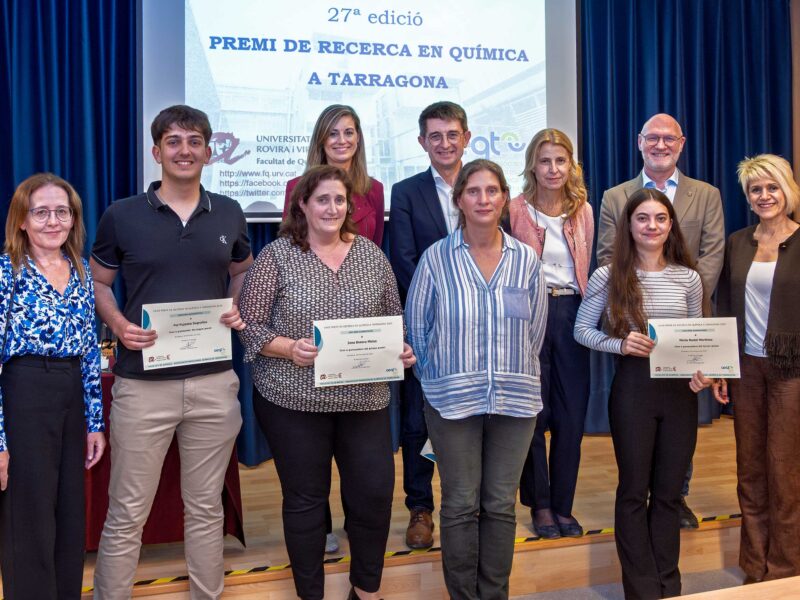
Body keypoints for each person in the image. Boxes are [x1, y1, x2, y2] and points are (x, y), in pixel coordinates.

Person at [91, 105, 253, 599]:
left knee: (205, 509)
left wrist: (236, 305)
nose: (185, 150)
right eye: (174, 141)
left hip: (213, 383)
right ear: (156, 151)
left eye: (195, 141)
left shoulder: (228, 211)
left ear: (208, 151)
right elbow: (98, 281)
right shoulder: (121, 214)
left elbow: (241, 268)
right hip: (143, 386)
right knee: (127, 511)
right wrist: (118, 325)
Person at [238, 165, 415, 600]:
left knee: (373, 495)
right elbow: (249, 326)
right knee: (305, 502)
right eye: (322, 199)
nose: (332, 208)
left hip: (364, 398)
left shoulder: (372, 256)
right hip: (292, 400)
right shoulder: (277, 256)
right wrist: (287, 348)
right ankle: (309, 594)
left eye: (339, 200)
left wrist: (402, 350)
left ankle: (366, 590)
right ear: (302, 205)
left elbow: (393, 321)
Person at [406, 159, 547, 600]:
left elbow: (536, 330)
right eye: (473, 191)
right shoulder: (436, 259)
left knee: (501, 506)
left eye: (492, 191)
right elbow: (417, 329)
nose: (483, 199)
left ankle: (494, 595)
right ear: (459, 200)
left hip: (516, 400)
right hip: (452, 402)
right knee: (461, 504)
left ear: (505, 197)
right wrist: (440, 380)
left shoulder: (526, 259)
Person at [596, 113, 725, 528]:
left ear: (682, 143)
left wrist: (677, 308)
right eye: (652, 138)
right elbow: (606, 258)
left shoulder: (706, 194)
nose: (660, 145)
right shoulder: (616, 196)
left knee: (679, 414)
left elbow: (711, 257)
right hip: (634, 332)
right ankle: (642, 496)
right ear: (639, 142)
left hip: (685, 323)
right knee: (638, 424)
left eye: (669, 138)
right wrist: (641, 308)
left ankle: (676, 495)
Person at [574, 188, 703, 599]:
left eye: (660, 219)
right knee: (633, 490)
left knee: (668, 493)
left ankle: (668, 583)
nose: (652, 226)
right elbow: (581, 330)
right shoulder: (607, 275)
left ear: (671, 225)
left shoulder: (689, 277)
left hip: (681, 394)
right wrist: (620, 344)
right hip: (633, 389)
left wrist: (703, 373)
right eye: (643, 218)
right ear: (629, 225)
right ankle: (642, 587)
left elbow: (697, 340)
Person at [693, 154, 800, 584]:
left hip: (791, 369)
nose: (764, 195)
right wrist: (720, 366)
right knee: (750, 469)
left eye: (771, 187)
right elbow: (723, 307)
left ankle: (786, 569)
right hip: (746, 368)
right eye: (756, 189)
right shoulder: (739, 241)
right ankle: (755, 567)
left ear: (787, 189)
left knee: (784, 470)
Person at [0, 173, 105, 599]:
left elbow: (88, 349)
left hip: (70, 396)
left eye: (62, 211)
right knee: (29, 519)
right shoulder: (7, 270)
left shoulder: (79, 269)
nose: (52, 220)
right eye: (40, 212)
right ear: (22, 220)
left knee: (67, 516)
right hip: (24, 392)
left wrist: (95, 422)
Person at [388, 100, 471, 549]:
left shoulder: (485, 186)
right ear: (422, 142)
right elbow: (404, 260)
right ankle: (420, 507)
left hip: (478, 329)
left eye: (452, 134)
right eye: (434, 136)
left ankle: (465, 504)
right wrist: (437, 311)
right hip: (425, 327)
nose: (444, 143)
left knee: (470, 417)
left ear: (467, 138)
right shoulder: (405, 192)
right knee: (419, 422)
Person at [509, 128, 593, 539]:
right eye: (545, 161)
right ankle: (540, 504)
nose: (553, 168)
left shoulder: (584, 211)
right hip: (530, 314)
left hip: (574, 313)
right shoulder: (514, 210)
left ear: (570, 166)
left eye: (561, 160)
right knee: (533, 413)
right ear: (532, 166)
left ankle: (563, 504)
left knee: (571, 414)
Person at [284, 104, 384, 245]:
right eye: (333, 134)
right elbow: (289, 248)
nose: (342, 140)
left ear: (358, 137)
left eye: (348, 133)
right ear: (321, 139)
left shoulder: (375, 189)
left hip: (363, 267)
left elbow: (376, 249)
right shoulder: (295, 187)